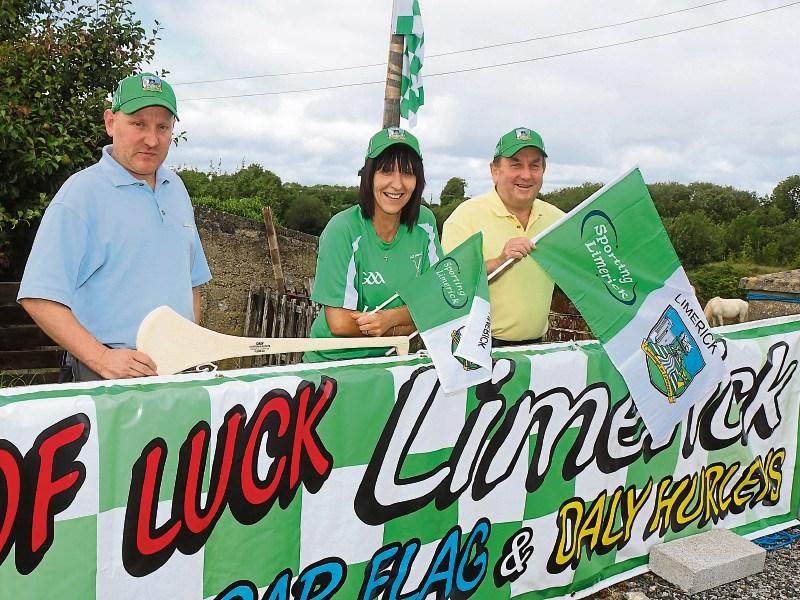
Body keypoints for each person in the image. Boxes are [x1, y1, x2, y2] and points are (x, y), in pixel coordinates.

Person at [17, 72, 211, 381]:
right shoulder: (81, 194)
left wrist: (187, 346)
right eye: (139, 124)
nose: (152, 139)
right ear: (111, 123)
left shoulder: (176, 188)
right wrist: (102, 358)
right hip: (107, 376)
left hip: (175, 374)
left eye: (163, 127)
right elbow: (38, 296)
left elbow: (192, 282)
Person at [304, 127, 442, 363]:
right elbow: (339, 323)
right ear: (369, 176)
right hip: (334, 365)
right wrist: (407, 324)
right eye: (386, 171)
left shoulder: (425, 223)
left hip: (392, 361)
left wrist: (391, 319)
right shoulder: (343, 229)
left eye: (407, 173)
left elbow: (439, 299)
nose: (397, 184)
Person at [442, 127, 564, 346]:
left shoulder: (558, 220)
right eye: (516, 164)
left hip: (535, 350)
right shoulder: (465, 217)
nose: (526, 175)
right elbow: (449, 286)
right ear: (495, 171)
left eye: (534, 165)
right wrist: (500, 262)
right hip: (477, 350)